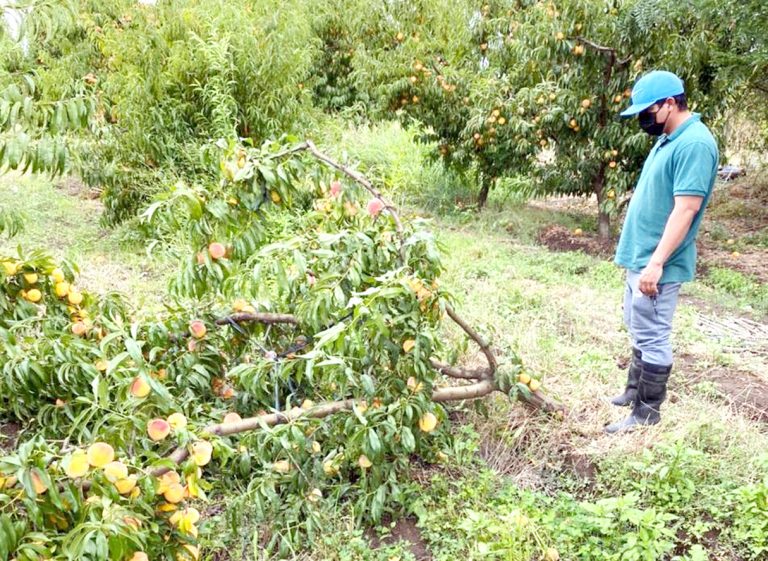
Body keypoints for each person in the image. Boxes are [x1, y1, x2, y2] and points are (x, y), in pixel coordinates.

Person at [605, 70, 719, 434]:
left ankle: (646, 415)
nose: (643, 120)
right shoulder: (670, 137)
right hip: (640, 256)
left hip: (658, 263)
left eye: (647, 112)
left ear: (670, 104)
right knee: (638, 325)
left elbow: (685, 209)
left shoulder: (695, 144)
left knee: (653, 334)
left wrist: (657, 262)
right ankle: (633, 391)